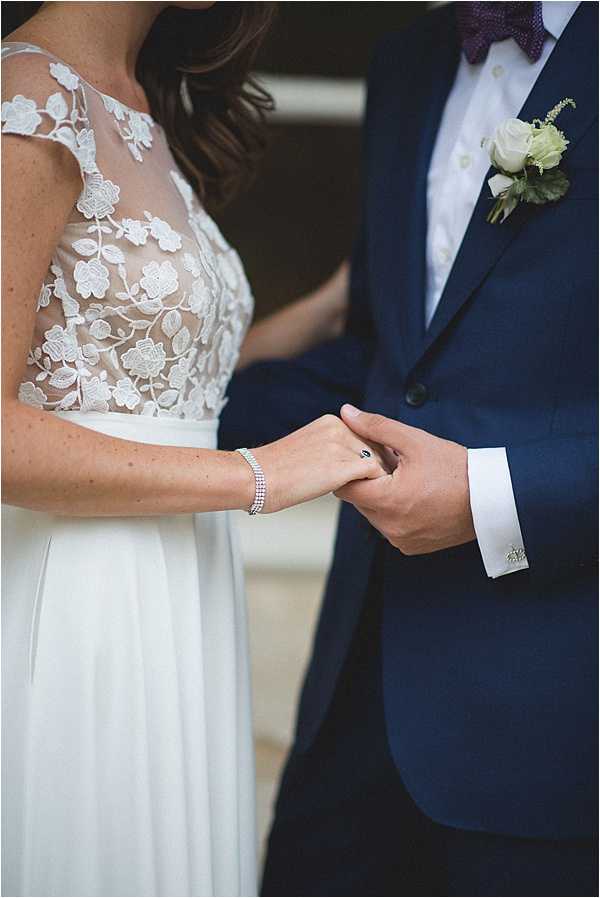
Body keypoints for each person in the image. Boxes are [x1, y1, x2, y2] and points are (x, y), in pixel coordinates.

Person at [0, 3, 387, 896]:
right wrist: (261, 473)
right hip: (79, 595)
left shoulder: (136, 100)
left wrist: (337, 301)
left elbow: (153, 382)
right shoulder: (28, 95)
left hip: (181, 584)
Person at [219, 2, 599, 895]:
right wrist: (160, 422)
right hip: (354, 695)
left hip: (555, 722)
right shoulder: (404, 61)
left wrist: (490, 496)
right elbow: (391, 356)